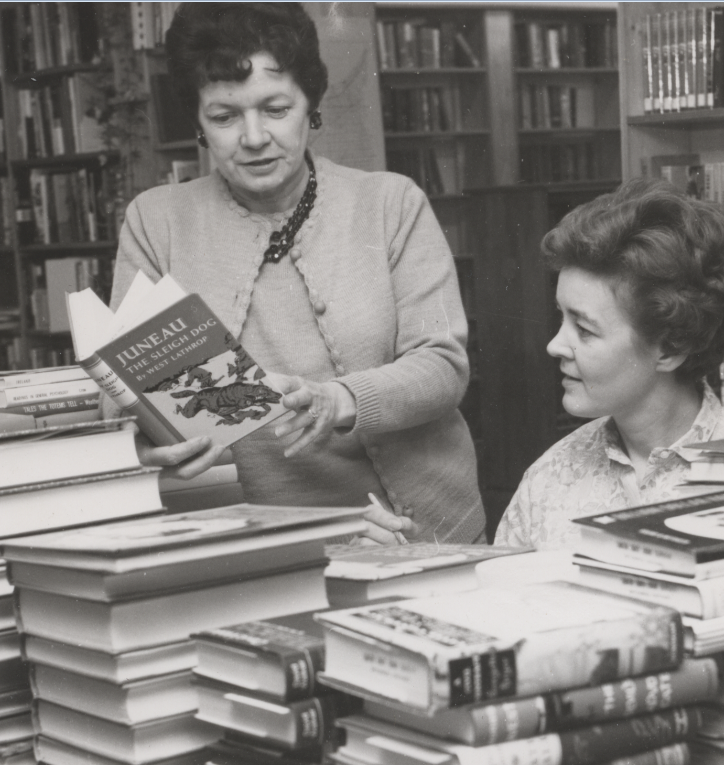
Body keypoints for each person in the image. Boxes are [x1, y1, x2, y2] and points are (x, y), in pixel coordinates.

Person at [110, 3, 484, 545]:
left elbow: (444, 367)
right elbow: (120, 386)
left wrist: (340, 399)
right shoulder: (156, 220)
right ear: (197, 123)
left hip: (408, 526)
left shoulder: (390, 203)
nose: (254, 136)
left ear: (311, 105)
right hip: (243, 541)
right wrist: (144, 441)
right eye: (224, 116)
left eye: (276, 108)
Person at [494, 178, 724, 551]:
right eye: (561, 318)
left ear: (670, 348)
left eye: (585, 330)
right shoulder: (547, 479)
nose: (555, 346)